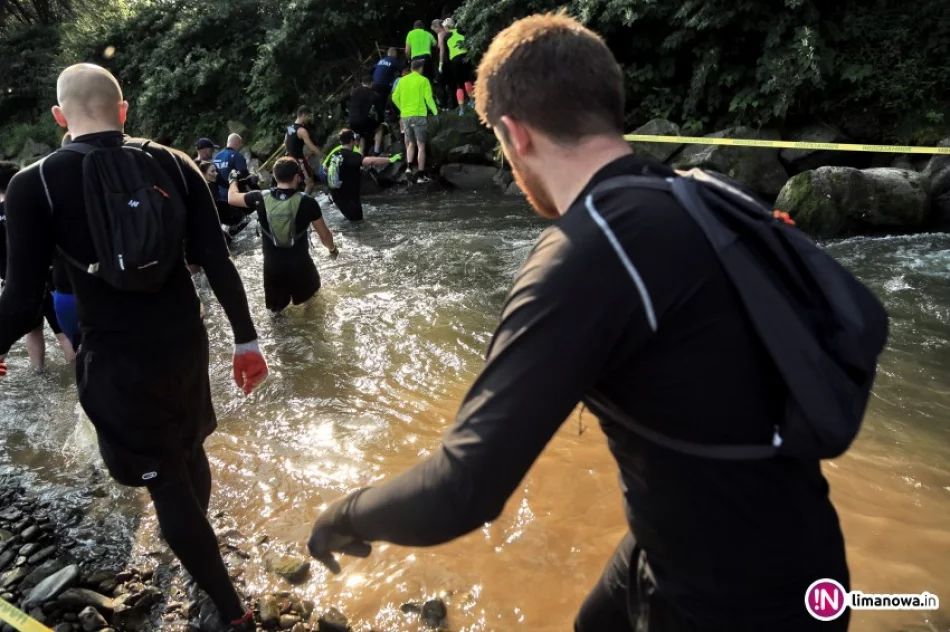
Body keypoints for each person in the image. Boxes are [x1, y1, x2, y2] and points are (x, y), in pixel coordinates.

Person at [306, 14, 852, 632]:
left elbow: (465, 488)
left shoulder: (588, 252)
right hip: (780, 541)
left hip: (730, 596)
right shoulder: (702, 195)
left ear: (515, 134)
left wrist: (344, 514)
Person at [0, 64, 268, 631]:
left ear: (59, 118)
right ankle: (197, 540)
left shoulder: (35, 184)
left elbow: (22, 303)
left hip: (115, 357)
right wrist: (246, 339)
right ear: (123, 110)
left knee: (163, 478)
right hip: (185, 341)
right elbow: (216, 260)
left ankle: (231, 609)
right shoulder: (175, 162)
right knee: (190, 447)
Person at [227, 157, 337, 313]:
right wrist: (332, 250)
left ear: (274, 177)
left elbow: (231, 198)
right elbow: (324, 235)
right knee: (313, 310)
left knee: (277, 317)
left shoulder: (260, 198)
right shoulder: (308, 202)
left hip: (272, 269)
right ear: (297, 177)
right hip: (301, 267)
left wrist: (233, 180)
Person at [0, 160, 74, 371]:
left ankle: (38, 371)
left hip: (14, 287)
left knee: (32, 330)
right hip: (48, 280)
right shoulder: (29, 208)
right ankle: (75, 378)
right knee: (62, 336)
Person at [322, 129, 402, 222]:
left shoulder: (335, 154)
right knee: (358, 222)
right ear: (352, 141)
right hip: (348, 197)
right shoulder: (351, 155)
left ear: (341, 142)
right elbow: (370, 161)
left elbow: (326, 168)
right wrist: (390, 160)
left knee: (350, 219)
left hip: (336, 194)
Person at [392, 58, 437, 183]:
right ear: (421, 68)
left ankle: (408, 167)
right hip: (419, 115)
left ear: (411, 68)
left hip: (405, 116)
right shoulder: (423, 80)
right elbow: (428, 99)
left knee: (411, 143)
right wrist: (435, 112)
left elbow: (394, 97)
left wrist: (402, 108)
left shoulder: (402, 81)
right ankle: (421, 175)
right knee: (421, 145)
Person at [286, 106, 323, 195]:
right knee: (310, 183)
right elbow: (311, 147)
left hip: (289, 158)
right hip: (299, 159)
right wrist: (324, 156)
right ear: (303, 115)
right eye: (308, 116)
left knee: (294, 183)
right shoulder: (301, 130)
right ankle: (303, 203)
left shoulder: (290, 128)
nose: (308, 119)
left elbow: (286, 142)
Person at [443, 18, 476, 115]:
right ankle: (472, 101)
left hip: (454, 60)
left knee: (459, 84)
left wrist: (445, 64)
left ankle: (461, 109)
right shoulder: (461, 32)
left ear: (446, 27)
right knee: (467, 80)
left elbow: (446, 52)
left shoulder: (446, 37)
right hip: (465, 57)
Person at [348, 76, 384, 156]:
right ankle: (376, 152)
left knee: (362, 135)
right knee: (380, 128)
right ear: (371, 83)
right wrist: (380, 121)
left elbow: (342, 100)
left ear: (362, 83)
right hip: (364, 121)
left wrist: (346, 112)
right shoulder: (374, 95)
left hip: (352, 122)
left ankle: (360, 157)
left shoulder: (353, 92)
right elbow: (379, 111)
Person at [213, 134, 249, 199]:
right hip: (235, 196)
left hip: (220, 197)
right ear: (237, 143)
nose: (241, 146)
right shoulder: (237, 156)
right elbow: (244, 174)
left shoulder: (216, 157)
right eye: (240, 143)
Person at [405, 20, 437, 84]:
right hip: (426, 59)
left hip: (415, 60)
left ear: (414, 27)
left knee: (416, 81)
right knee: (428, 80)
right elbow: (436, 44)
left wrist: (409, 60)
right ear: (423, 27)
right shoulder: (428, 34)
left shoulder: (410, 34)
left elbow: (407, 51)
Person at [373, 47, 403, 117]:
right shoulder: (394, 61)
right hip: (384, 84)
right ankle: (390, 114)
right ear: (395, 54)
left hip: (374, 83)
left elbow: (372, 68)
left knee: (379, 101)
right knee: (387, 99)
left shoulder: (381, 60)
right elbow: (403, 69)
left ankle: (382, 115)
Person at [431, 18, 451, 110]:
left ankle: (444, 106)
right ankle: (454, 104)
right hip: (452, 60)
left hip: (445, 61)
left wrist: (440, 63)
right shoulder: (449, 32)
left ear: (437, 27)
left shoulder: (440, 34)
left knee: (441, 84)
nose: (435, 32)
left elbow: (442, 49)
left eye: (434, 30)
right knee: (452, 84)